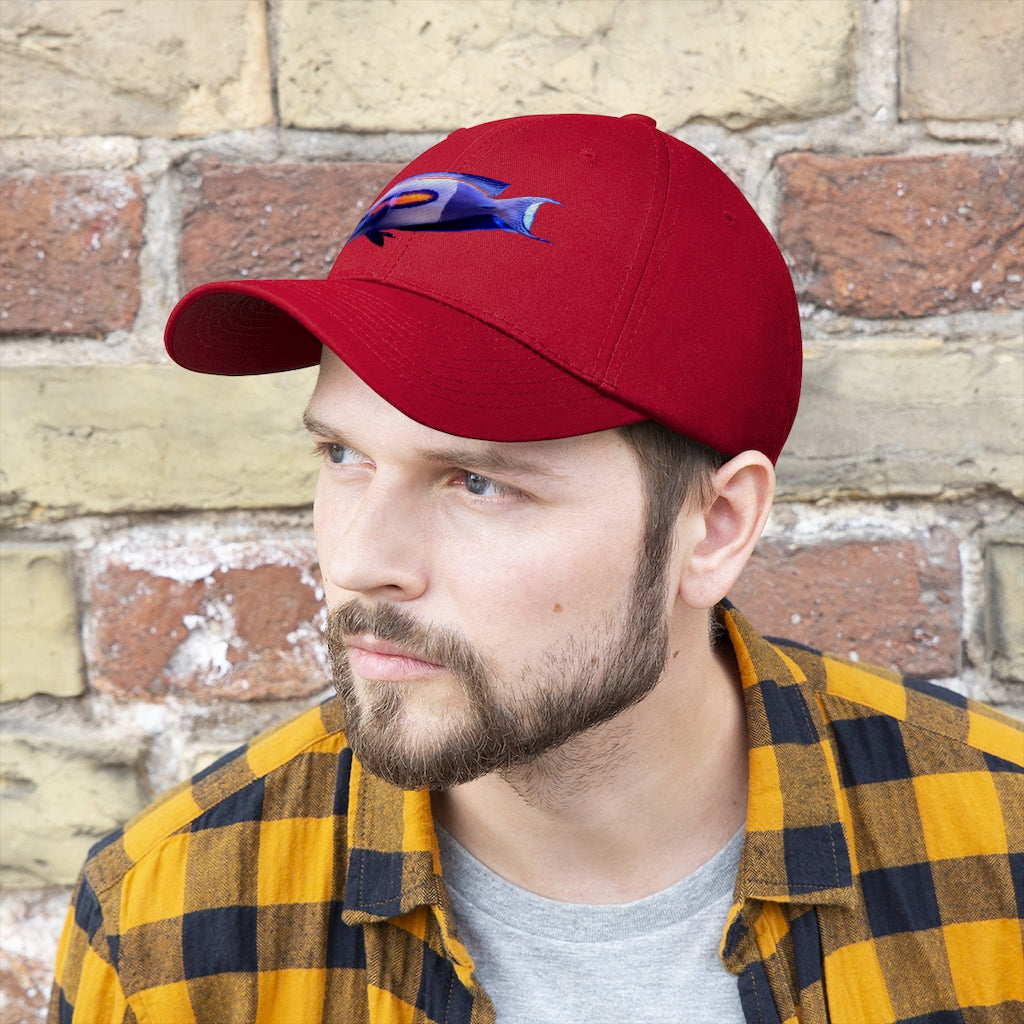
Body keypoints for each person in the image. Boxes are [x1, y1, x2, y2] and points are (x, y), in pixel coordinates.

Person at [51, 113, 1023, 1024]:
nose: (358, 561)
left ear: (715, 525)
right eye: (344, 457)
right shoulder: (167, 928)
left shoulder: (998, 854)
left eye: (476, 481)